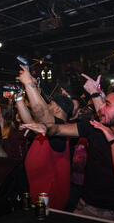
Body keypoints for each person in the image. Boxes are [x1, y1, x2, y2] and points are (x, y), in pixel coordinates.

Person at [22, 86, 114, 223]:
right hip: (86, 207)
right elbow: (58, 129)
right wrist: (46, 128)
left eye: (107, 104)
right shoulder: (94, 128)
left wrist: (112, 140)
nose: (101, 108)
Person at [16, 64, 74, 210]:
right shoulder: (47, 128)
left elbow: (40, 112)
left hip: (51, 200)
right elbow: (29, 121)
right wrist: (18, 97)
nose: (48, 106)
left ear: (58, 109)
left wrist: (29, 84)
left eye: (51, 104)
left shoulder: (61, 129)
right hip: (38, 195)